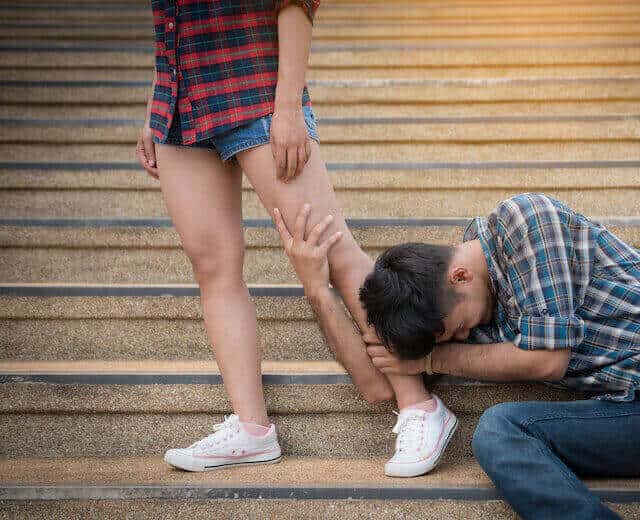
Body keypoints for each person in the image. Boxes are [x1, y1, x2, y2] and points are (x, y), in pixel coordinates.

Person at [135, 0, 456, 476]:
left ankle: (419, 406)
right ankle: (252, 429)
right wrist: (157, 104)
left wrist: (288, 104)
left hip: (256, 91)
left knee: (329, 245)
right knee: (212, 266)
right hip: (181, 104)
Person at [354, 192, 640, 519]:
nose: (463, 336)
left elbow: (549, 359)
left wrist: (434, 362)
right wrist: (318, 284)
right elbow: (374, 373)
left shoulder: (522, 221)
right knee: (498, 430)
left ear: (461, 275)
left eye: (457, 328)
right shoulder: (467, 306)